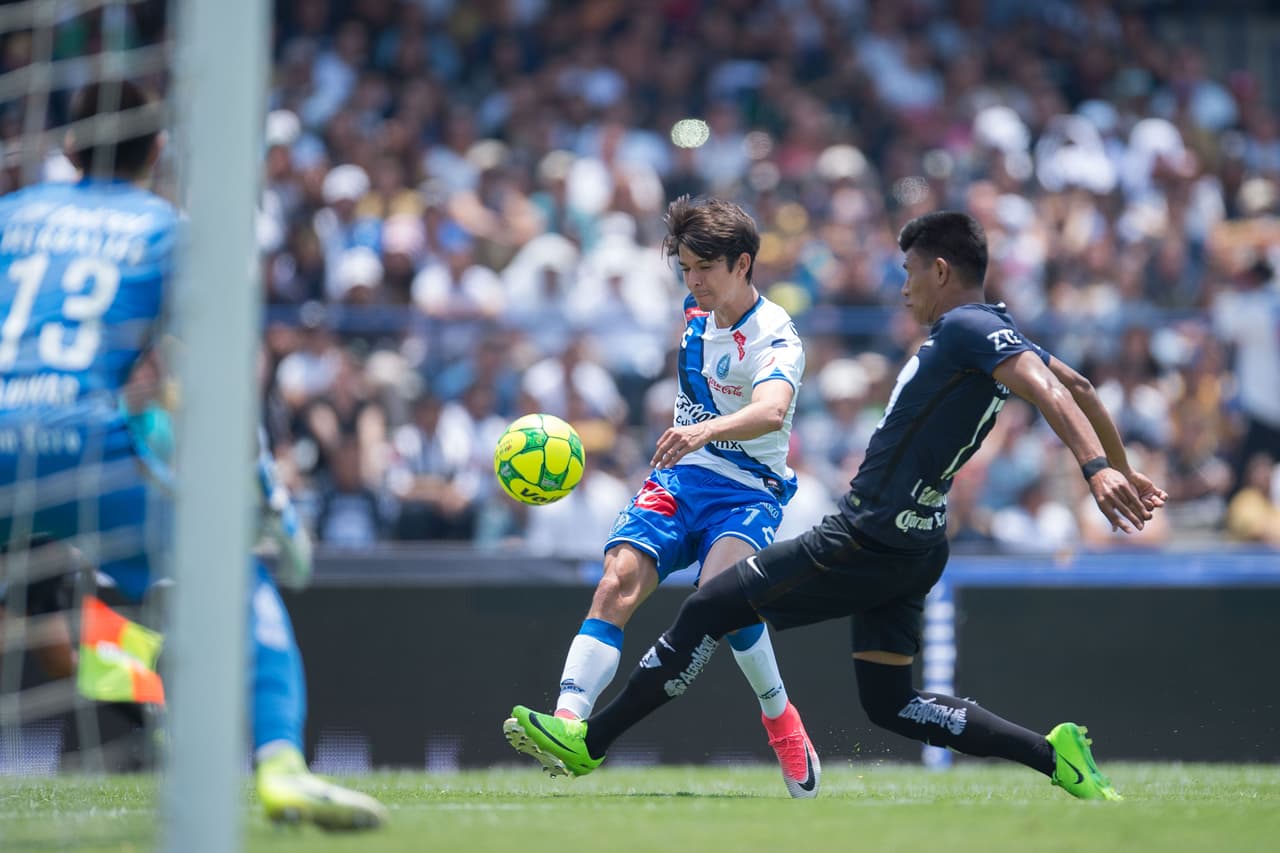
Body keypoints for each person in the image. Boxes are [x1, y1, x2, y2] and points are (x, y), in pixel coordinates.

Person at [504, 211, 1168, 801]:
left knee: (710, 604)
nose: (902, 286)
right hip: (918, 542)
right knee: (892, 703)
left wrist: (1098, 467)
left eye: (909, 272)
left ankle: (590, 740)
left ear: (941, 270)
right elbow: (1075, 382)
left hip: (866, 532)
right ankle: (1055, 756)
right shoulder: (990, 330)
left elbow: (1050, 389)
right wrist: (1121, 463)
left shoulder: (966, 326)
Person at [0, 81, 386, 829]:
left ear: (69, 150)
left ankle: (154, 698)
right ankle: (278, 766)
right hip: (80, 436)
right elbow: (213, 379)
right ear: (158, 150)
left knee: (47, 625)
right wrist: (262, 494)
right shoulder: (168, 230)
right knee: (232, 582)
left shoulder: (9, 215)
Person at [505, 196, 822, 798]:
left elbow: (772, 410)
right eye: (685, 268)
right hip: (680, 478)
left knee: (719, 598)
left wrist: (703, 429)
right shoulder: (693, 310)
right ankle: (568, 724)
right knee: (614, 582)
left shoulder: (776, 333)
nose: (694, 280)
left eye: (705, 267)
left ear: (743, 264)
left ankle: (780, 718)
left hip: (749, 491)